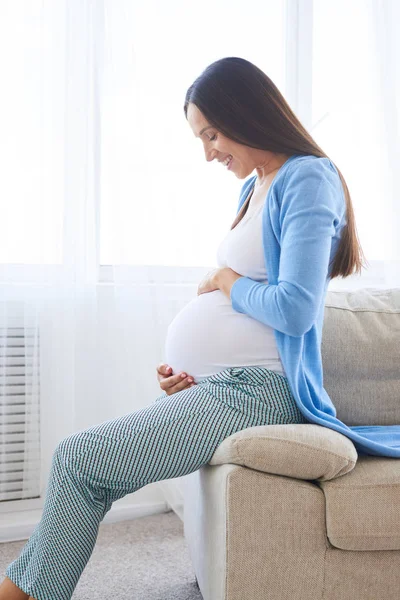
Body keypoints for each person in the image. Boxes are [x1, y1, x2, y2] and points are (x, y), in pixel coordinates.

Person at [1, 56, 365, 600]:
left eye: (213, 134)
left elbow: (294, 308)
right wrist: (191, 370)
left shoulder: (308, 177)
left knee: (78, 461)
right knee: (87, 471)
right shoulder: (255, 186)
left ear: (247, 114)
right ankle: (28, 589)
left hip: (260, 392)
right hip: (225, 389)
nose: (208, 152)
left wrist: (224, 280)